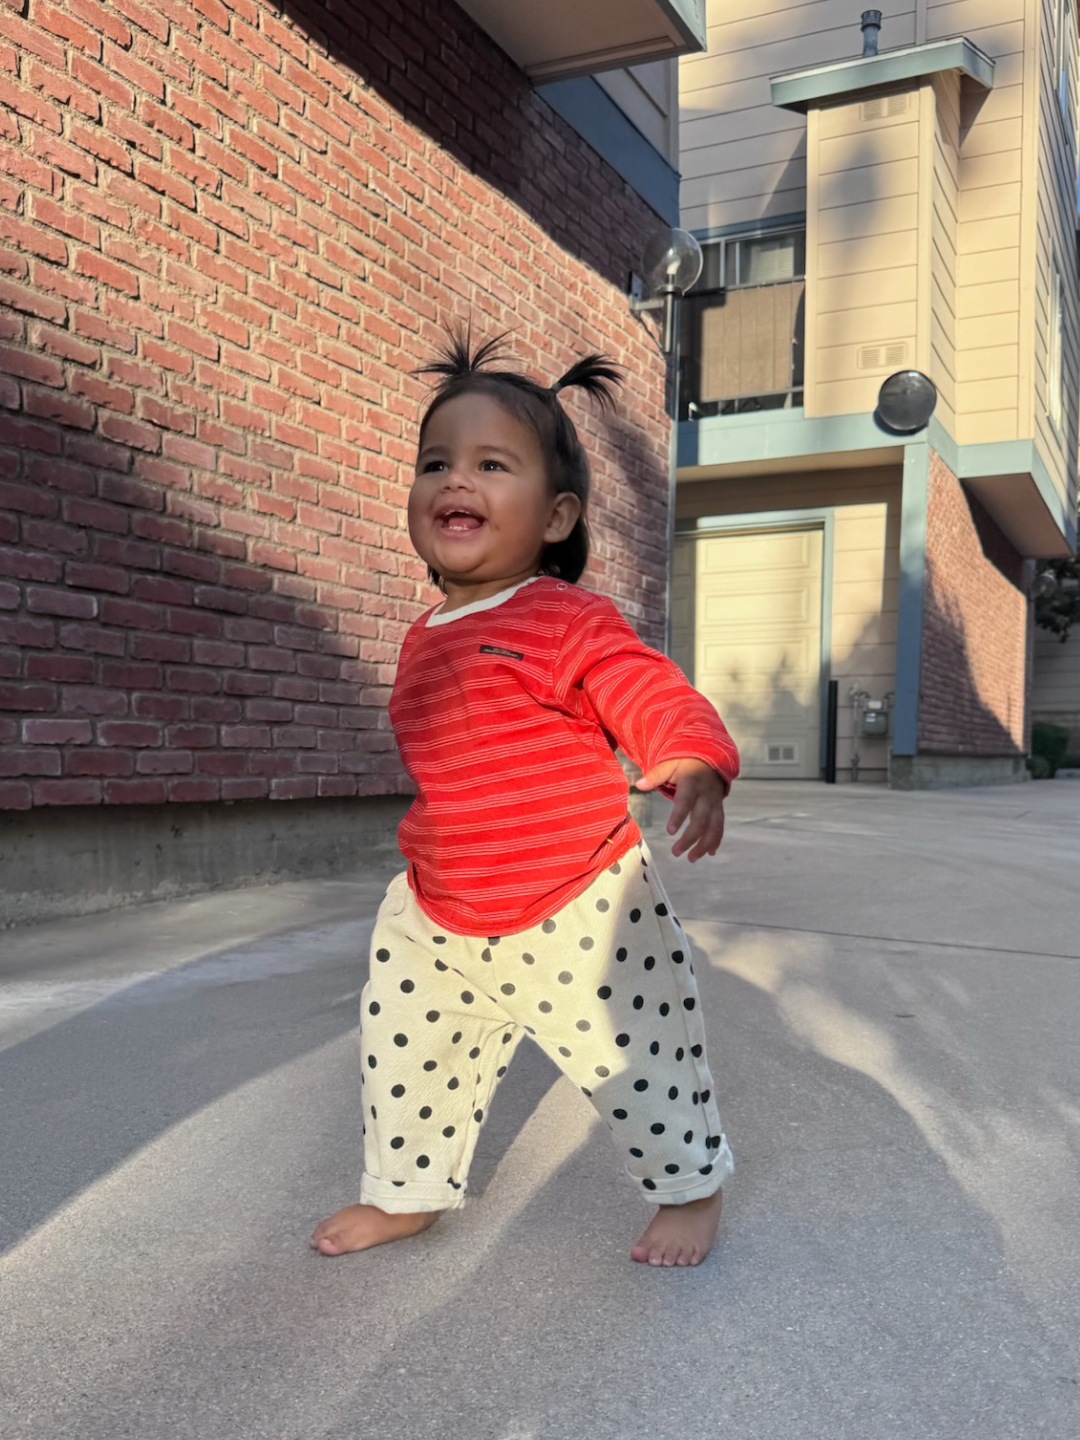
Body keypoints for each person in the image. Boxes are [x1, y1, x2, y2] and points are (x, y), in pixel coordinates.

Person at [311, 331, 740, 1268]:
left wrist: (690, 758)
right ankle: (409, 1189)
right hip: (441, 904)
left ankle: (691, 1186)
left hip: (575, 904)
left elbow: (643, 687)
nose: (454, 480)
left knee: (640, 1060)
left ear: (555, 518)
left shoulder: (562, 617)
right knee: (406, 1053)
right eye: (436, 463)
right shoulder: (425, 632)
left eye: (491, 464)